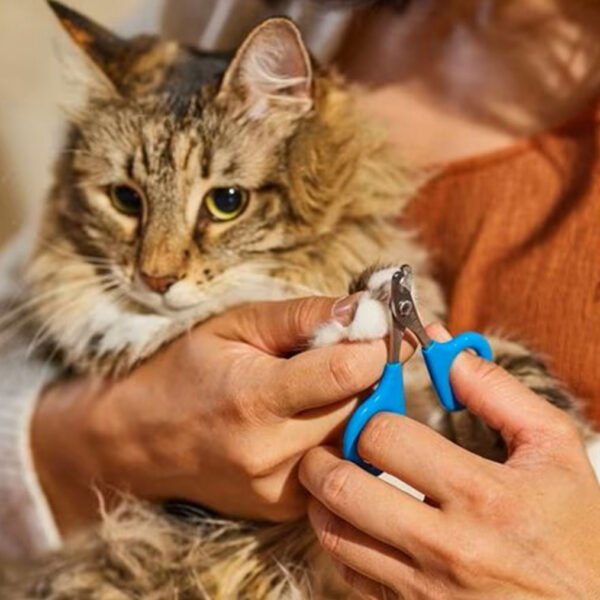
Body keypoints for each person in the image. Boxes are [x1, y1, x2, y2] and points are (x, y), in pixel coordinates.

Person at [1, 0, 600, 596]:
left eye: (225, 200)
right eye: (129, 202)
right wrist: (104, 437)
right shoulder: (217, 15)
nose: (159, 268)